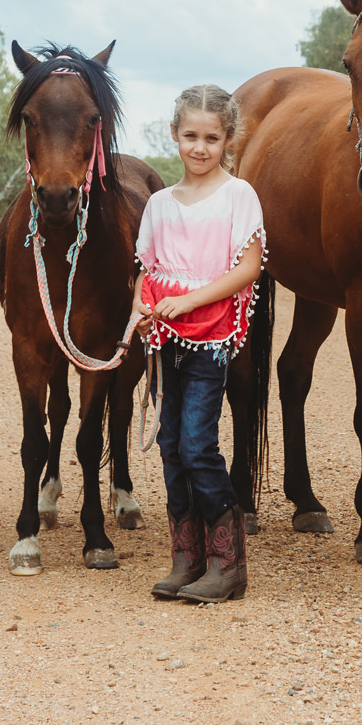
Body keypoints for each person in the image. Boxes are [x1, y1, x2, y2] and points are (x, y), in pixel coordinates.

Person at [138, 84, 265, 604]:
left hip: (210, 337)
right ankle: (186, 558)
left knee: (196, 443)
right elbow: (147, 272)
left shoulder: (239, 196)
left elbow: (248, 268)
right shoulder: (159, 204)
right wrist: (139, 313)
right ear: (175, 134)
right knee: (170, 446)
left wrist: (189, 301)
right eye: (190, 135)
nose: (200, 147)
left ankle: (227, 563)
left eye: (211, 138)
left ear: (228, 139)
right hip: (165, 339)